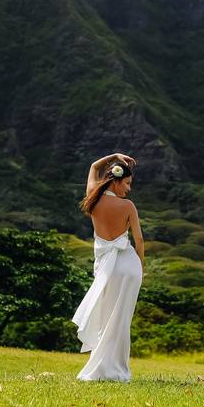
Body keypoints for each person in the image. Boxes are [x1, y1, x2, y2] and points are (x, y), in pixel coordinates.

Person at [72, 152, 145, 381]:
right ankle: (116, 369)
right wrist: (141, 267)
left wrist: (114, 156)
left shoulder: (93, 197)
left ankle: (102, 368)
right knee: (121, 321)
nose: (129, 189)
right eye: (127, 183)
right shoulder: (127, 206)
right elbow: (139, 241)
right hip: (128, 266)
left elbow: (94, 166)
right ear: (116, 180)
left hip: (106, 268)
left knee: (106, 317)